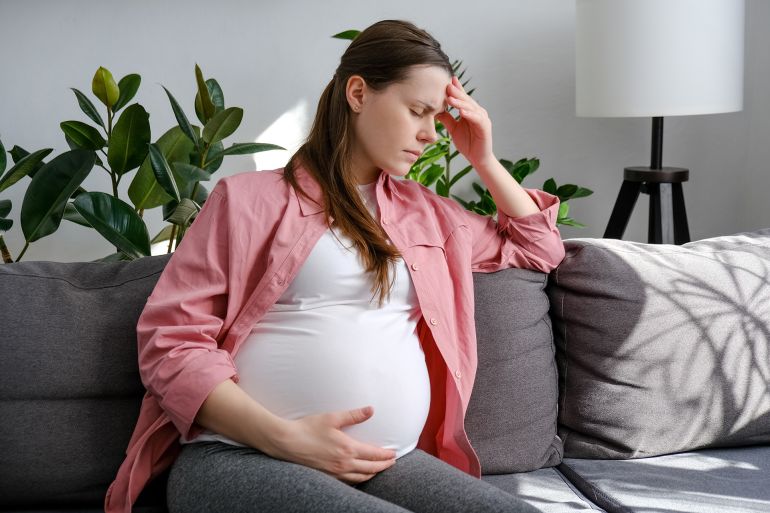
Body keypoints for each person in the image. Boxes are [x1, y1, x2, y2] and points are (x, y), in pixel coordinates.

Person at [105, 19, 565, 513]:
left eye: (437, 118)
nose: (431, 134)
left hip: (386, 463)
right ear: (358, 93)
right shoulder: (247, 201)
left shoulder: (428, 216)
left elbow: (538, 247)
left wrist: (484, 159)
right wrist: (286, 439)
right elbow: (171, 342)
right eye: (417, 111)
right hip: (242, 455)